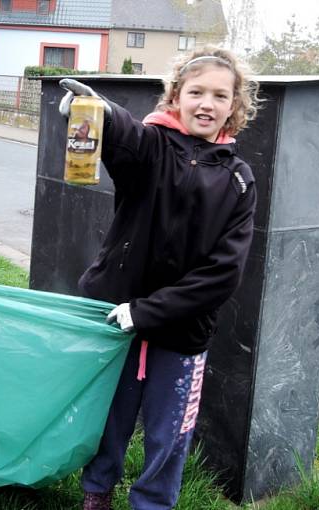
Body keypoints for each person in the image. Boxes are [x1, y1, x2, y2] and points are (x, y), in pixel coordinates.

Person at [59, 46, 260, 510]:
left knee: (170, 433)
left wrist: (146, 312)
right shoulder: (153, 146)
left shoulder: (238, 180)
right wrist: (98, 110)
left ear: (235, 105)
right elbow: (125, 134)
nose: (206, 103)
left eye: (220, 95)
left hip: (181, 332)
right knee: (109, 417)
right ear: (176, 96)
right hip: (116, 320)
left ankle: (152, 503)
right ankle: (96, 493)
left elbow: (222, 274)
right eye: (196, 92)